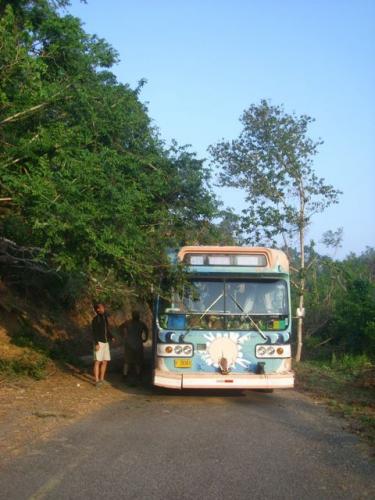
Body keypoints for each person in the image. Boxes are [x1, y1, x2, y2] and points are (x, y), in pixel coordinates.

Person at [121, 311, 148, 382]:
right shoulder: (141, 324)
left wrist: (124, 336)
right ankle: (137, 375)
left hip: (129, 343)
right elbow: (146, 330)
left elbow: (120, 328)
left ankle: (125, 375)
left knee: (128, 361)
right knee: (137, 361)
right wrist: (145, 339)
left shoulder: (128, 323)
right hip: (138, 344)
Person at [92, 302, 115, 387]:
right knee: (97, 361)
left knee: (105, 361)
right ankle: (97, 380)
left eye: (103, 307)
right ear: (98, 309)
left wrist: (111, 336)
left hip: (105, 342)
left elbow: (107, 330)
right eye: (101, 308)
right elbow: (94, 332)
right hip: (99, 343)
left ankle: (102, 379)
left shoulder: (104, 318)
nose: (103, 309)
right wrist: (96, 343)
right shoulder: (95, 319)